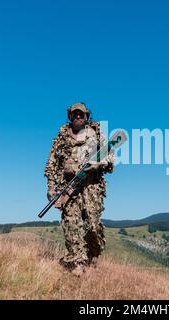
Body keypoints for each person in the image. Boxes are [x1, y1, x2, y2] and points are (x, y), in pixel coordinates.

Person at [44, 102, 114, 276]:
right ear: (69, 116)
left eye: (81, 114)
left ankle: (92, 254)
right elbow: (52, 164)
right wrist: (51, 187)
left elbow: (110, 157)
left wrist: (97, 164)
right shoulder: (62, 137)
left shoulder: (97, 135)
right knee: (71, 223)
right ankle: (77, 261)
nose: (77, 117)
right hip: (68, 186)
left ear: (86, 116)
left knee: (92, 225)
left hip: (92, 187)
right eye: (75, 114)